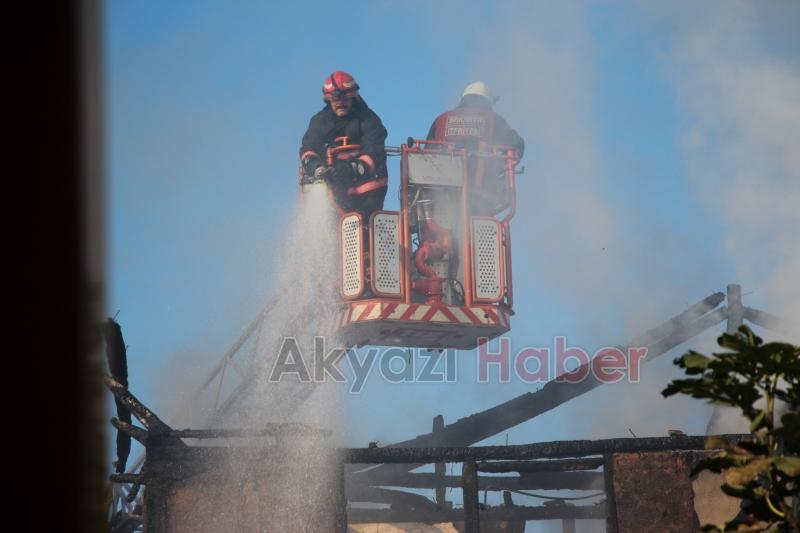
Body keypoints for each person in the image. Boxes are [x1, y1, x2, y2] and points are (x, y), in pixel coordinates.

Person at [300, 71, 388, 221]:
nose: (340, 103)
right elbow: (309, 149)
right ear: (328, 100)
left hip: (367, 194)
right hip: (331, 190)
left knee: (362, 227)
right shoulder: (319, 122)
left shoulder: (369, 120)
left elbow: (373, 151)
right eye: (335, 100)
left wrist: (350, 170)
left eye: (345, 98)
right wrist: (317, 167)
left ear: (353, 96)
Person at [427, 81, 524, 214]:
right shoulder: (494, 120)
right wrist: (500, 165)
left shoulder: (441, 120)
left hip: (442, 196)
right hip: (483, 196)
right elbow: (517, 146)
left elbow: (427, 154)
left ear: (463, 98)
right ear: (489, 101)